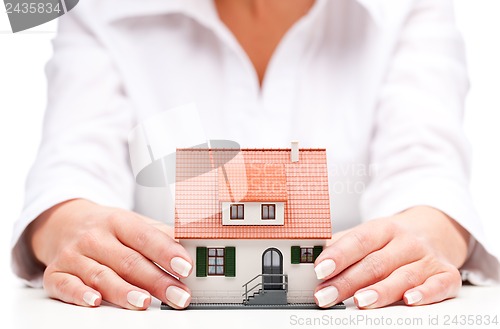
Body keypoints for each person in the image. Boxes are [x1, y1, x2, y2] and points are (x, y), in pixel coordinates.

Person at [11, 0, 499, 310]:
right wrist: (65, 224)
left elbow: (427, 167)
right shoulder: (92, 7)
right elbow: (72, 162)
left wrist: (433, 230)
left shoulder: (411, 7)